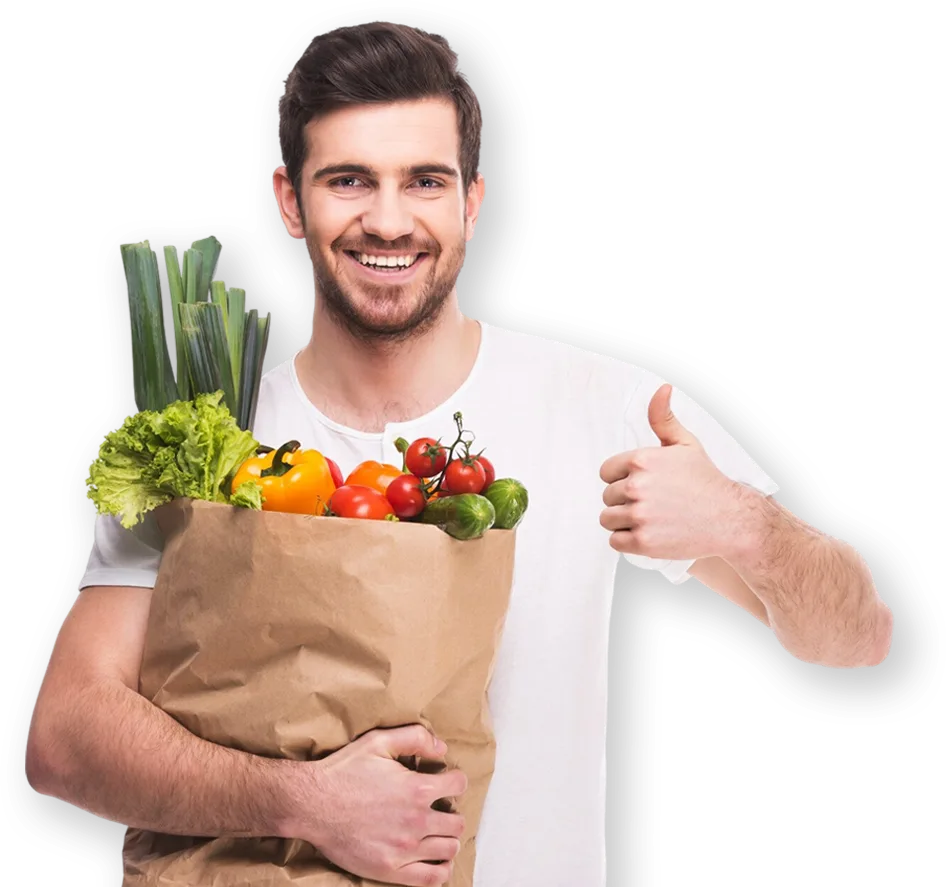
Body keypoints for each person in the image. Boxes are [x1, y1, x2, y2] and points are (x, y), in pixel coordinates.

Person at [25, 20, 895, 887]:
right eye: (349, 180)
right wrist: (303, 802)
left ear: (472, 203)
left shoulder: (607, 406)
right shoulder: (205, 441)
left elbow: (860, 638)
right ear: (291, 202)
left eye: (425, 181)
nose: (388, 220)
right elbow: (63, 738)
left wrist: (744, 522)